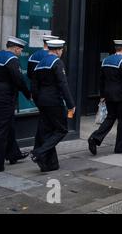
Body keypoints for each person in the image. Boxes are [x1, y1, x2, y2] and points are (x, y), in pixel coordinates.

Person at [0, 36, 32, 174]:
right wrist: (28, 94)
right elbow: (19, 80)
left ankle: (13, 154)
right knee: (0, 131)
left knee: (8, 124)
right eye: (20, 50)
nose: (20, 53)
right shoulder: (12, 59)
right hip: (4, 98)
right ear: (16, 48)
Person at [30, 39, 75, 172]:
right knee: (62, 130)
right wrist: (71, 104)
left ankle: (50, 164)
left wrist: (38, 102)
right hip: (54, 101)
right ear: (57, 50)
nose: (61, 52)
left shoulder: (40, 64)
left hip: (42, 102)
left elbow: (34, 86)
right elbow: (63, 85)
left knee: (47, 131)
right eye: (61, 50)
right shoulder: (57, 62)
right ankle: (39, 152)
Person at [88, 40, 122, 156]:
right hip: (120, 96)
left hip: (109, 95)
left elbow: (101, 80)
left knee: (110, 118)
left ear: (115, 48)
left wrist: (102, 95)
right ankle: (120, 147)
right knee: (121, 121)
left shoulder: (106, 60)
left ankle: (94, 138)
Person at [27, 34, 59, 152]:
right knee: (49, 125)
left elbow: (30, 75)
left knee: (43, 122)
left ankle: (40, 150)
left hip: (37, 92)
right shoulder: (53, 57)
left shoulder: (33, 55)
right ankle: (42, 151)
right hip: (50, 95)